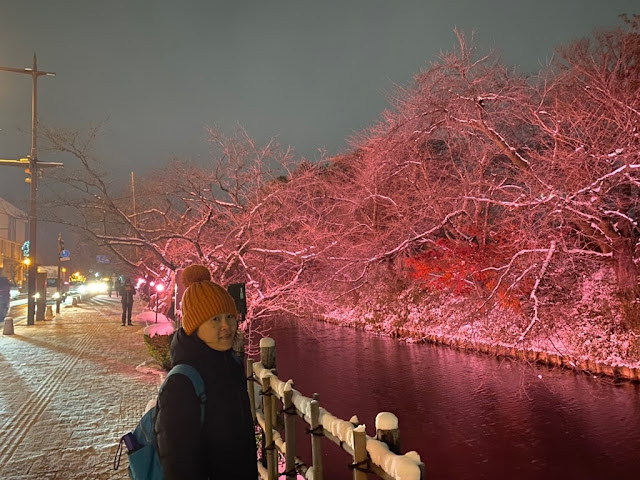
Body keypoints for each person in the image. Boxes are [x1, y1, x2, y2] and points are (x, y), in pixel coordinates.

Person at [154, 264, 257, 479]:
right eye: (215, 319)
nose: (226, 326)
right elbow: (178, 465)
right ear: (195, 326)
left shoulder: (231, 364)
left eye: (229, 316)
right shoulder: (182, 383)